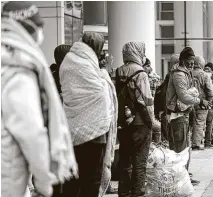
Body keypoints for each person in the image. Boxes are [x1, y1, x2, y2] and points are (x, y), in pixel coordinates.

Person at [1, 2, 77, 197]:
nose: (42, 32)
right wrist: (44, 181)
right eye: (39, 25)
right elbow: (31, 132)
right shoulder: (18, 71)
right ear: (28, 28)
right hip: (8, 179)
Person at [60, 32, 117, 197]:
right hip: (94, 131)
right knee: (92, 178)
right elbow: (100, 92)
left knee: (74, 178)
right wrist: (104, 74)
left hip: (72, 130)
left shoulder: (68, 61)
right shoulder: (86, 64)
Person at [116, 41, 154, 197]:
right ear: (138, 53)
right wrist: (151, 122)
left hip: (123, 124)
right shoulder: (141, 73)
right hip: (140, 123)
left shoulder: (117, 72)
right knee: (140, 161)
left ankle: (123, 192)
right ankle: (137, 192)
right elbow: (145, 100)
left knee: (125, 159)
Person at [166, 47, 210, 185]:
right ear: (182, 61)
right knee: (181, 149)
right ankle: (180, 179)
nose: (192, 63)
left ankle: (182, 176)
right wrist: (199, 101)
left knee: (184, 147)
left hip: (183, 114)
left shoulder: (185, 73)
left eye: (193, 61)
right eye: (189, 61)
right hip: (178, 116)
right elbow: (183, 95)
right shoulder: (179, 74)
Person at [154, 54, 180, 142]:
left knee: (169, 137)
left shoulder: (168, 77)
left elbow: (161, 95)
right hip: (174, 111)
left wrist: (158, 111)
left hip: (167, 112)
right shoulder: (177, 77)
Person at [191, 56, 213, 150]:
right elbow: (210, 91)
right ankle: (196, 144)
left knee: (189, 122)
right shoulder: (204, 75)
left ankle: (187, 143)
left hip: (188, 101)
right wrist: (209, 101)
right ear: (201, 64)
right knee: (199, 123)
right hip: (202, 103)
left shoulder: (188, 73)